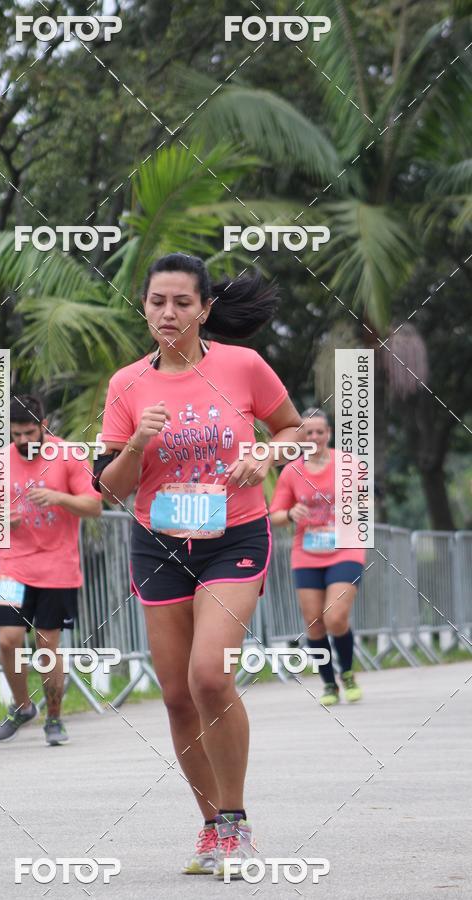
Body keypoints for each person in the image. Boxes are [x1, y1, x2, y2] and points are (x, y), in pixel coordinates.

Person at [93, 253, 302, 878]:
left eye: (182, 302)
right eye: (157, 301)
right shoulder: (127, 385)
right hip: (159, 544)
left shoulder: (243, 366)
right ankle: (210, 827)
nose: (168, 313)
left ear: (205, 309)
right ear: (145, 306)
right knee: (178, 694)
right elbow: (110, 488)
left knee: (210, 674)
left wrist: (265, 456)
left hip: (232, 536)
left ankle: (237, 822)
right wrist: (137, 443)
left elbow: (294, 430)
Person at [0, 394, 102, 745]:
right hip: (13, 568)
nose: (22, 441)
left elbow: (94, 506)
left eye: (28, 433)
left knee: (45, 644)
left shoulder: (68, 455)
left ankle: (54, 718)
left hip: (57, 569)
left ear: (43, 427)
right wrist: (0, 520)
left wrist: (59, 498)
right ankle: (24, 706)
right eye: (16, 435)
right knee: (8, 640)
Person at [269, 408, 366, 706]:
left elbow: (365, 502)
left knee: (335, 617)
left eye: (319, 432)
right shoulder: (291, 472)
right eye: (308, 433)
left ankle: (347, 673)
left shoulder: (348, 464)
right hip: (307, 552)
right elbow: (275, 515)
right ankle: (328, 685)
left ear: (329, 434)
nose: (314, 437)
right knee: (314, 622)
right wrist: (290, 513)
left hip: (345, 550)